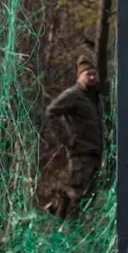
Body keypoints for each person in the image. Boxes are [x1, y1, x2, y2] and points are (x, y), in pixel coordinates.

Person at [44, 54, 104, 220]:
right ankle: (69, 228)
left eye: (94, 74)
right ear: (79, 76)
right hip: (80, 153)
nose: (92, 78)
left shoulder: (95, 97)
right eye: (88, 74)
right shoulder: (73, 95)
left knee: (89, 195)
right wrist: (66, 138)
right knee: (78, 194)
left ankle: (59, 216)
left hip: (95, 152)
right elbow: (51, 112)